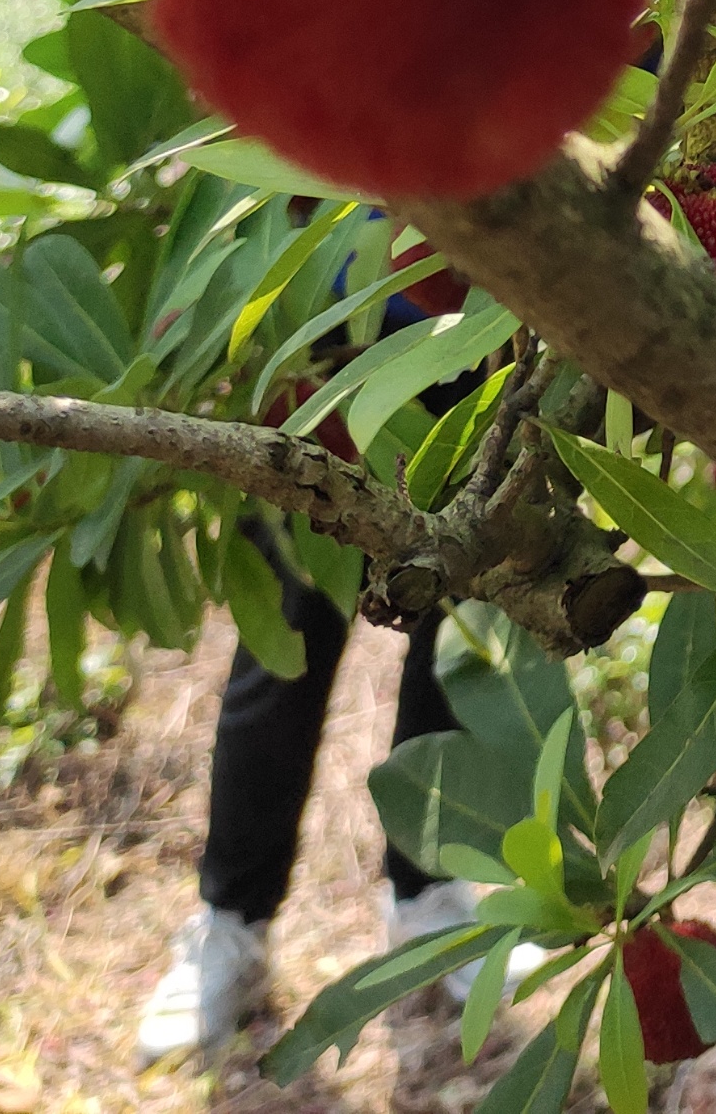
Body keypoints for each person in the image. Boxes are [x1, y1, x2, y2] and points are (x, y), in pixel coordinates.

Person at [139, 250, 485, 1067]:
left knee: (465, 660)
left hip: (484, 360)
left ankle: (430, 897)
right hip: (324, 364)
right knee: (281, 658)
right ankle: (234, 923)